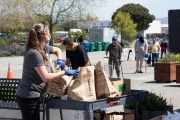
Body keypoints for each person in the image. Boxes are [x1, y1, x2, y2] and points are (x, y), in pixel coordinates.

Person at [16, 23, 78, 120]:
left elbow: (58, 50)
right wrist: (65, 72)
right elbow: (45, 77)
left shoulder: (43, 48)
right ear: (45, 34)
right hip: (28, 97)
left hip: (34, 95)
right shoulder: (34, 53)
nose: (50, 34)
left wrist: (60, 60)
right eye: (49, 32)